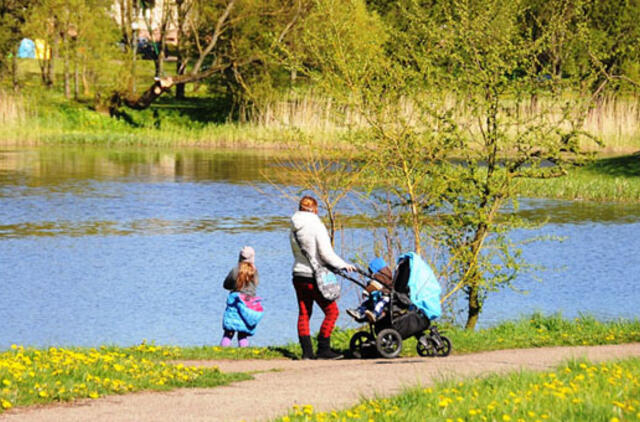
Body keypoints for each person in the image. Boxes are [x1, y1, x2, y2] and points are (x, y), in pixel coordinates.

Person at [290, 195, 356, 360]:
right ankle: (323, 348)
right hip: (314, 276)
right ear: (314, 209)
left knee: (304, 313)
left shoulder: (293, 227)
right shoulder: (316, 225)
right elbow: (326, 254)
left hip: (298, 274)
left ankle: (307, 353)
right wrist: (343, 265)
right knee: (332, 311)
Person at [220, 246, 263, 347]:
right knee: (243, 334)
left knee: (228, 332)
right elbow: (255, 286)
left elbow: (226, 285)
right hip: (248, 305)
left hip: (234, 305)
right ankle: (244, 352)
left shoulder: (235, 270)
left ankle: (222, 351)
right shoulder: (254, 272)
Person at [346, 257, 393, 323]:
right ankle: (359, 312)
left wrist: (366, 291)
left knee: (379, 305)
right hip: (376, 297)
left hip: (385, 297)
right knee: (366, 304)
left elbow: (376, 285)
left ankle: (375, 314)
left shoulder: (383, 277)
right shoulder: (377, 277)